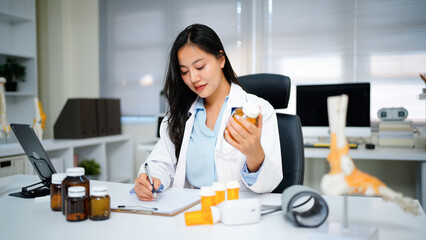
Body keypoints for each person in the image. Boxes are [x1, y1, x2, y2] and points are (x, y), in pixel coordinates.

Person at [134, 24, 282, 201]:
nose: (193, 79)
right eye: (184, 72)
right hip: (192, 211)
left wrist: (254, 154)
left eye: (200, 67)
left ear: (221, 59)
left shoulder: (259, 110)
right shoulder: (179, 115)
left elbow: (271, 182)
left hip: (237, 213)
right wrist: (149, 180)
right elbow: (160, 164)